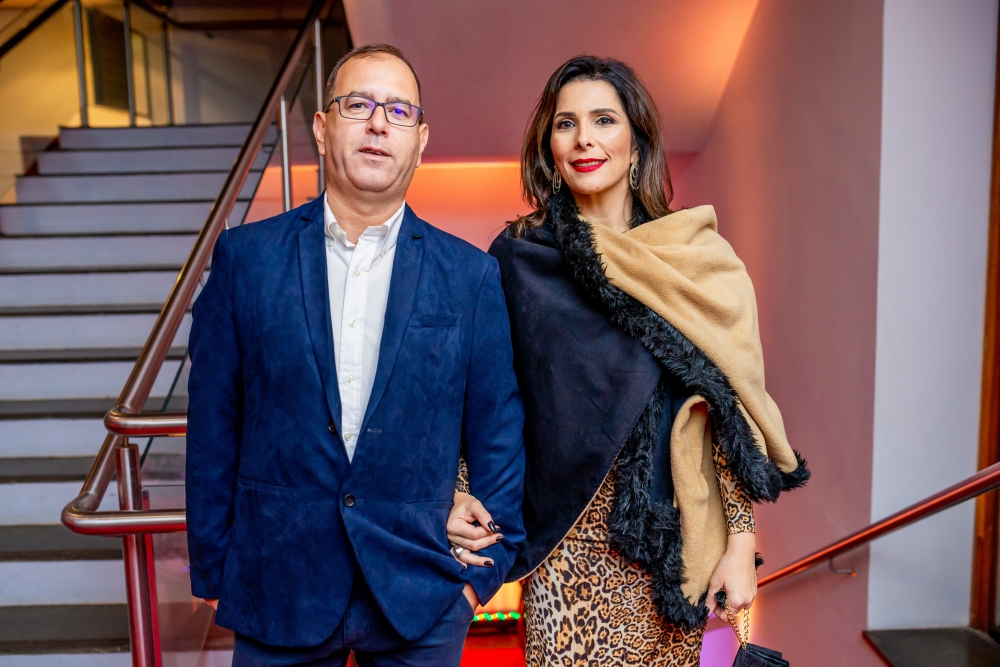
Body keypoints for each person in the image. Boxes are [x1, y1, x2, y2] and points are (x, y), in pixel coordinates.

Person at [447, 55, 809, 666]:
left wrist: (741, 541)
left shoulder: (691, 258)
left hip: (671, 544)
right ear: (549, 147)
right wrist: (461, 493)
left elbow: (724, 410)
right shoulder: (519, 258)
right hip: (565, 545)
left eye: (604, 120)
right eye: (566, 124)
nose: (583, 139)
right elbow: (480, 394)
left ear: (637, 143)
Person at [185, 43, 525, 667]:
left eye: (399, 111)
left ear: (420, 141)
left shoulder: (469, 276)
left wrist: (480, 579)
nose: (378, 123)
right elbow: (213, 425)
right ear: (321, 128)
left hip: (420, 598)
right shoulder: (245, 261)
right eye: (358, 104)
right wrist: (213, 567)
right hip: (275, 586)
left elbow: (498, 432)